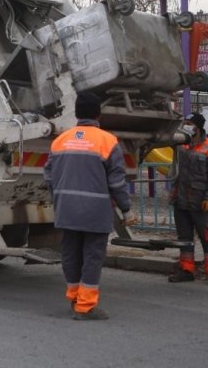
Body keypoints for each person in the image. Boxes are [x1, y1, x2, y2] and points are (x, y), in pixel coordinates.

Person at [44, 91, 133, 321]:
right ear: (98, 114)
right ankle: (85, 306)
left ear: (76, 113)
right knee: (92, 256)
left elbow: (49, 176)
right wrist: (126, 209)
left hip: (66, 209)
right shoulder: (107, 141)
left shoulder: (60, 140)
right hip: (94, 212)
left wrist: (59, 200)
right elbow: (117, 181)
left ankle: (74, 297)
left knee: (71, 254)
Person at [168, 112, 208, 287]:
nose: (185, 126)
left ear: (198, 128)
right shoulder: (180, 145)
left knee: (207, 237)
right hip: (181, 200)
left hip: (200, 202)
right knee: (184, 238)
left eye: (189, 124)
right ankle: (186, 270)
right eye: (184, 123)